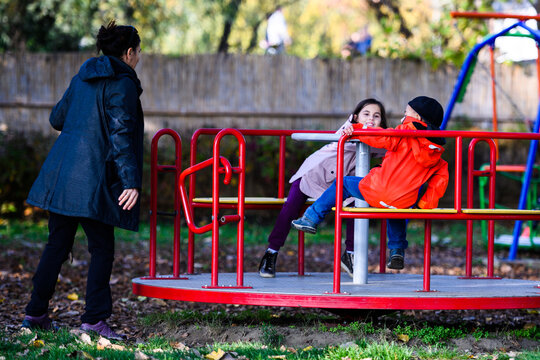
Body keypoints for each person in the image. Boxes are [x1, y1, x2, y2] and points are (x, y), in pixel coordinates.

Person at [21, 21, 144, 341]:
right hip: (95, 180)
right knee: (101, 248)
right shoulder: (123, 83)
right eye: (139, 52)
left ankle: (35, 313)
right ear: (129, 53)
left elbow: (56, 118)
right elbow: (121, 134)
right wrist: (130, 181)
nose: (139, 57)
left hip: (62, 175)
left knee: (56, 245)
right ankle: (94, 319)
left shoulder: (82, 77)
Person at [292, 96, 449, 270]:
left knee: (343, 183)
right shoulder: (438, 156)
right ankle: (397, 250)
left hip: (377, 190)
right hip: (405, 200)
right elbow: (439, 183)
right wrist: (424, 206)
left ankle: (311, 218)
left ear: (417, 117)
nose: (403, 115)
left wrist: (356, 129)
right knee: (395, 209)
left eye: (406, 112)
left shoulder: (404, 132)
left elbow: (380, 137)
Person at [258, 98, 388, 278]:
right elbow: (347, 128)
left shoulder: (380, 138)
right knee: (289, 210)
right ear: (356, 116)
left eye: (376, 116)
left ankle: (350, 254)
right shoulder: (349, 128)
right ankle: (271, 252)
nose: (370, 120)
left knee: (357, 206)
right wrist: (350, 126)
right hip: (315, 175)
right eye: (366, 114)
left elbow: (392, 149)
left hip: (341, 184)